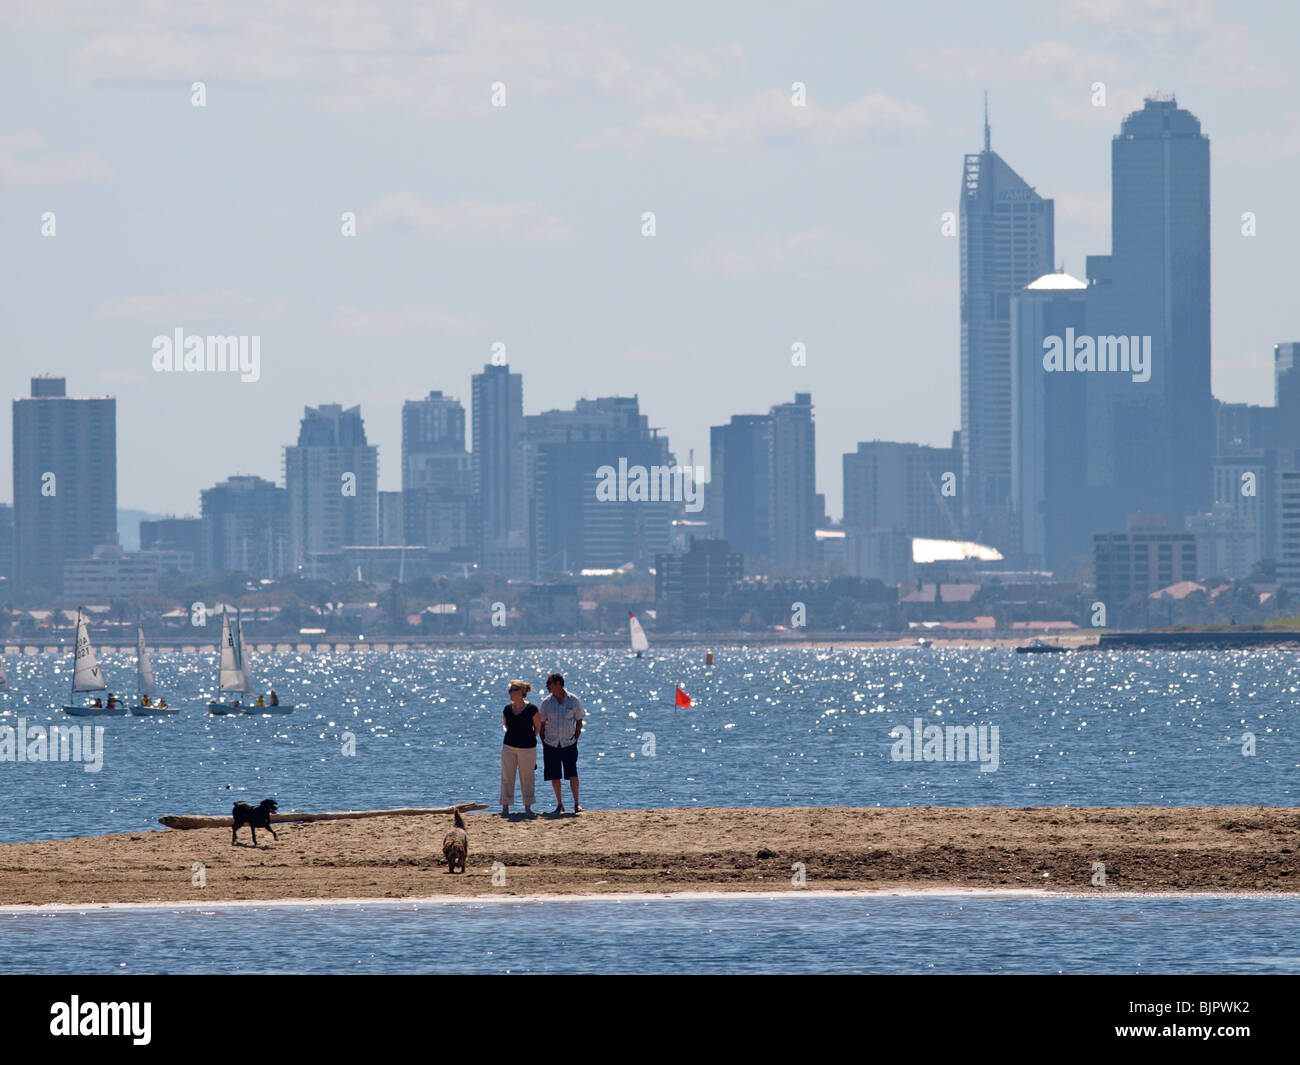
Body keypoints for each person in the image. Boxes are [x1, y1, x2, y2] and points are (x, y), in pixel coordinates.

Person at [538, 672, 585, 814]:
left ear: (558, 684)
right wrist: (544, 741)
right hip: (551, 744)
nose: (547, 686)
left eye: (549, 683)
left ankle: (577, 804)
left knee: (572, 774)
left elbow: (579, 720)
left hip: (568, 743)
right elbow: (541, 723)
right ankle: (560, 805)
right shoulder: (546, 702)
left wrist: (575, 738)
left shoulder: (573, 700)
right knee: (554, 775)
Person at [500, 680, 541, 817]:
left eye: (513, 690)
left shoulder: (532, 709)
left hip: (528, 748)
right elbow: (506, 726)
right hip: (508, 747)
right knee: (507, 776)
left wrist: (528, 738)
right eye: (509, 690)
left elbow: (537, 728)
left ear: (521, 692)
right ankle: (505, 807)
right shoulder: (507, 709)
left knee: (527, 777)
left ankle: (527, 807)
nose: (510, 693)